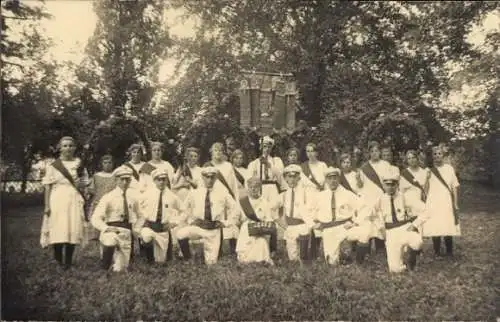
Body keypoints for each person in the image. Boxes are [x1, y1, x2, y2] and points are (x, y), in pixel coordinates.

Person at [175, 166, 240, 265]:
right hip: (199, 227)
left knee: (211, 263)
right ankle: (188, 258)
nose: (209, 180)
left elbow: (235, 209)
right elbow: (184, 209)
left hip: (213, 230)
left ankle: (212, 254)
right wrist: (190, 221)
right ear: (203, 177)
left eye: (212, 177)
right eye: (207, 177)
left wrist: (226, 223)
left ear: (216, 178)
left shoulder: (222, 193)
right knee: (180, 234)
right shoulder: (195, 192)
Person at [41, 136, 89, 270]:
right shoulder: (54, 166)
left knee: (72, 228)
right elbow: (47, 186)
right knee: (59, 228)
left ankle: (68, 262)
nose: (68, 148)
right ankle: (58, 260)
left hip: (73, 197)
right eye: (65, 146)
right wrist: (47, 205)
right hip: (57, 198)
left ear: (74, 148)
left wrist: (82, 186)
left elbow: (85, 183)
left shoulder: (79, 164)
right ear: (60, 148)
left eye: (70, 145)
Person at [370, 166, 429, 273]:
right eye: (387, 184)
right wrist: (380, 228)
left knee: (417, 242)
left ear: (397, 185)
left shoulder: (405, 197)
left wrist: (414, 225)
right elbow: (371, 215)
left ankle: (411, 260)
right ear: (383, 186)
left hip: (404, 228)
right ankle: (400, 261)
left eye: (393, 184)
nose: (390, 187)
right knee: (395, 269)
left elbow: (426, 210)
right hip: (390, 232)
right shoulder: (380, 199)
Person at [312, 167, 371, 265]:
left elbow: (365, 207)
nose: (332, 181)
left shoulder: (347, 194)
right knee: (332, 262)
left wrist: (354, 222)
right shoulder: (320, 196)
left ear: (339, 179)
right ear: (326, 180)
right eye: (329, 178)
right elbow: (307, 210)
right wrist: (314, 223)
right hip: (328, 229)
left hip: (345, 227)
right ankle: (341, 256)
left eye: (335, 178)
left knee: (364, 231)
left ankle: (359, 262)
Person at [91, 166, 141, 272]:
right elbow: (95, 218)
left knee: (120, 269)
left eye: (127, 179)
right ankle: (104, 268)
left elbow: (141, 216)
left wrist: (136, 229)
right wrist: (106, 228)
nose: (124, 182)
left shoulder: (133, 197)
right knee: (110, 240)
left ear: (130, 180)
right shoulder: (108, 197)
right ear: (116, 180)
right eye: (121, 179)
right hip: (111, 230)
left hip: (126, 233)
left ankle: (117, 262)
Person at [137, 169, 185, 264]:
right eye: (159, 179)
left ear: (167, 181)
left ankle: (157, 257)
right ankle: (149, 259)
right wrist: (144, 217)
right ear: (154, 181)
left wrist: (175, 222)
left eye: (164, 179)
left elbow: (184, 211)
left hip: (163, 230)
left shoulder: (172, 196)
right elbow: (137, 207)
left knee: (160, 261)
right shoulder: (147, 194)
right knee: (147, 236)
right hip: (149, 226)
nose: (161, 182)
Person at [422, 146, 461, 257]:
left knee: (447, 223)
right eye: (435, 154)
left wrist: (455, 203)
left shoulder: (449, 169)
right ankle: (437, 251)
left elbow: (454, 187)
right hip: (433, 201)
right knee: (435, 224)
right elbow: (425, 190)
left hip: (446, 201)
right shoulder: (428, 170)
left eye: (439, 153)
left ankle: (449, 251)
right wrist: (427, 178)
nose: (437, 156)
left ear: (443, 156)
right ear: (432, 156)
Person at [205, 142, 240, 256]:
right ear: (211, 152)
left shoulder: (228, 166)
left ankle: (233, 248)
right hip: (214, 199)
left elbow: (233, 184)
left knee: (232, 222)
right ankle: (218, 249)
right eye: (216, 150)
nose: (218, 153)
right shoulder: (207, 166)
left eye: (220, 150)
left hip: (228, 197)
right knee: (217, 223)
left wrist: (235, 198)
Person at [276, 164, 315, 263]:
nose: (292, 180)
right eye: (289, 177)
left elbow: (312, 209)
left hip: (303, 224)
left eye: (294, 177)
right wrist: (278, 221)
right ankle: (295, 263)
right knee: (292, 258)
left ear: (299, 178)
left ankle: (305, 260)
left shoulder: (306, 193)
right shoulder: (284, 195)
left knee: (303, 256)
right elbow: (270, 207)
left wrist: (311, 224)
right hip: (290, 226)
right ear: (285, 179)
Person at [235, 177, 278, 265]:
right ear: (248, 188)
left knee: (261, 243)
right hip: (246, 229)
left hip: (260, 229)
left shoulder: (264, 202)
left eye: (256, 187)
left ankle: (260, 260)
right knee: (245, 251)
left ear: (260, 188)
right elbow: (236, 217)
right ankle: (246, 259)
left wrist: (264, 223)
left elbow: (269, 218)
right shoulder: (242, 202)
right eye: (251, 187)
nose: (253, 189)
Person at [359, 141, 392, 252]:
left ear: (380, 152)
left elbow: (389, 182)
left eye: (376, 151)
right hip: (368, 197)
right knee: (369, 222)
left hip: (381, 196)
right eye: (372, 151)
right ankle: (367, 248)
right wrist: (358, 179)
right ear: (369, 153)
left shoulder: (386, 165)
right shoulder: (364, 167)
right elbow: (360, 185)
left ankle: (381, 248)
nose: (374, 153)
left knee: (381, 221)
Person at [300, 142, 328, 259]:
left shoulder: (322, 165)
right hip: (308, 196)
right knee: (309, 222)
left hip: (320, 196)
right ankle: (307, 252)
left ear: (316, 152)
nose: (310, 154)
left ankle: (316, 250)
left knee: (319, 222)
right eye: (308, 151)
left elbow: (326, 182)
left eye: (312, 151)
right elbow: (301, 185)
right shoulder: (303, 167)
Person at [247, 136, 285, 203]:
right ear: (261, 147)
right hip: (260, 189)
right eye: (264, 146)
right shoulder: (254, 163)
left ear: (271, 148)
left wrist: (269, 165)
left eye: (269, 147)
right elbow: (249, 180)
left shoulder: (277, 161)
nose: (267, 149)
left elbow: (281, 177)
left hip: (273, 189)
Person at [87, 154, 116, 241]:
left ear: (113, 164)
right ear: (102, 164)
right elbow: (91, 189)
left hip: (111, 203)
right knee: (97, 222)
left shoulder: (115, 176)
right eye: (105, 163)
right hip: (98, 202)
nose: (107, 165)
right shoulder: (96, 176)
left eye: (110, 163)